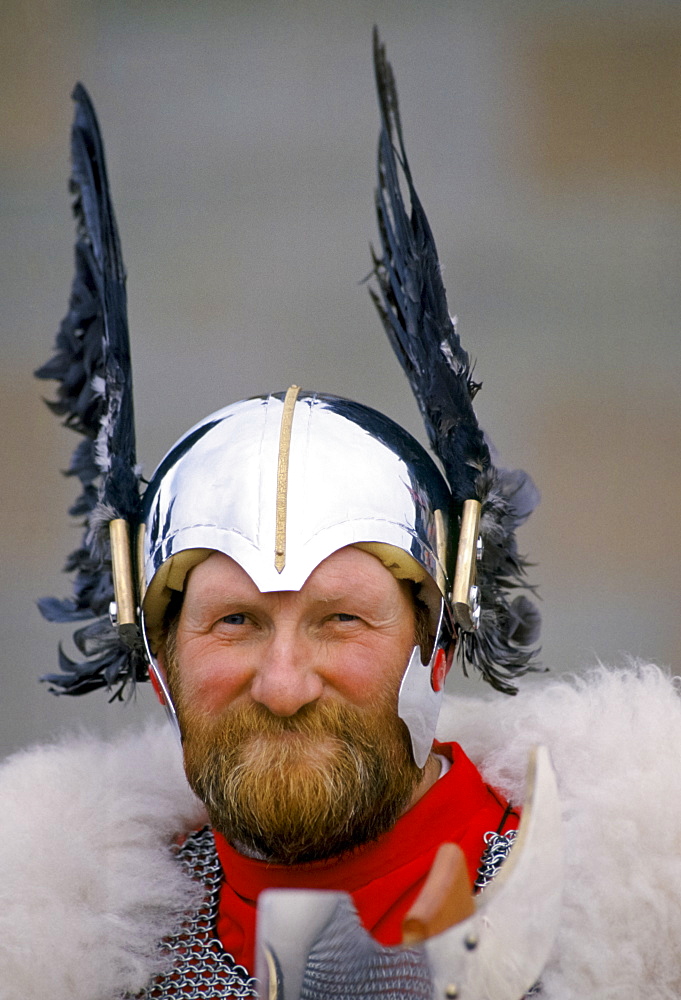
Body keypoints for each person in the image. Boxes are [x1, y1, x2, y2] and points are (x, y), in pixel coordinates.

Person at [3, 29, 681, 1000]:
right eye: (234, 621)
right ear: (156, 660)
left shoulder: (658, 930)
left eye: (340, 618)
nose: (283, 683)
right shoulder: (48, 957)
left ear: (436, 640)